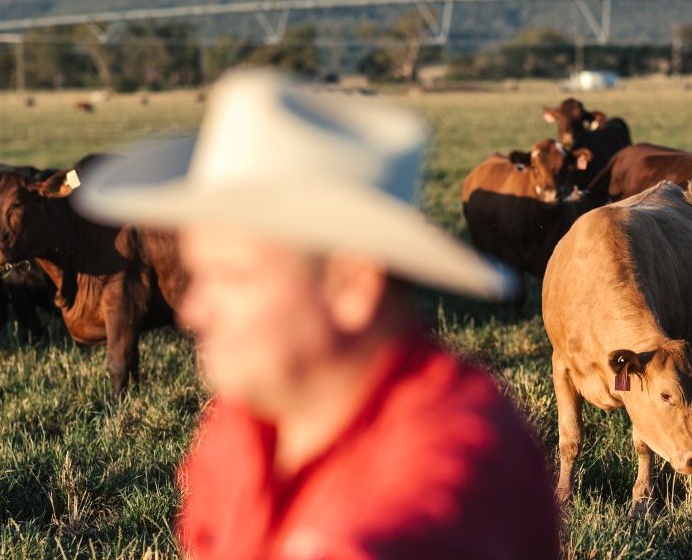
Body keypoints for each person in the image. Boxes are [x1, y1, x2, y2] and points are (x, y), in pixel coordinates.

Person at [73, 69, 559, 560]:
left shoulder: (459, 475)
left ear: (351, 285)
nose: (193, 313)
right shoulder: (245, 421)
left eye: (233, 275)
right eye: (199, 274)